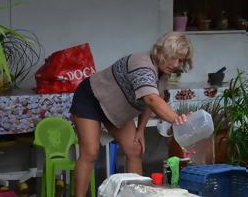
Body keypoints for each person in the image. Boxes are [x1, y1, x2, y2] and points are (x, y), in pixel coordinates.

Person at [70, 31, 193, 197]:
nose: (177, 64)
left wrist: (140, 129)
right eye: (174, 57)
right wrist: (177, 119)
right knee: (90, 153)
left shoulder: (163, 74)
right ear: (163, 51)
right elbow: (151, 99)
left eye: (181, 60)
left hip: (114, 108)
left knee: (135, 150)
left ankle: (136, 194)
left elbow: (151, 100)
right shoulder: (142, 63)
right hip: (91, 98)